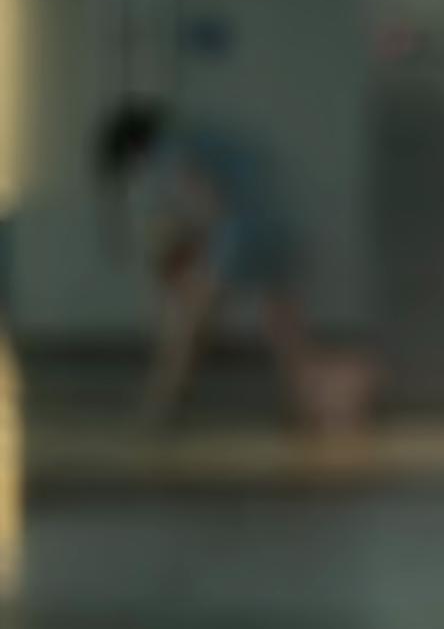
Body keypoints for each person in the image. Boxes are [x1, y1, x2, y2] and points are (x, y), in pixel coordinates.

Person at [95, 97, 382, 430]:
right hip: (273, 228)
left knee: (188, 321)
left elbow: (205, 203)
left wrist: (186, 247)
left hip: (239, 234)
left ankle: (162, 404)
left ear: (132, 150)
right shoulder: (195, 136)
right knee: (286, 334)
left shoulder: (169, 150)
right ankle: (316, 401)